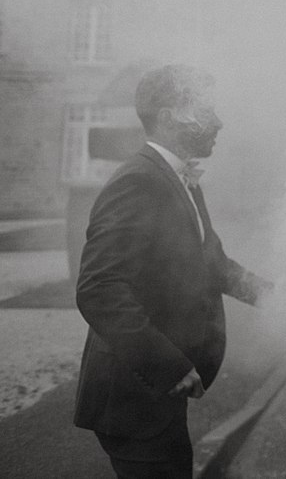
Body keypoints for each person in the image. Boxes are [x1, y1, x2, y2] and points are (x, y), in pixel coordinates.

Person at [74, 64, 272, 478]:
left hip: (153, 398)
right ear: (167, 118)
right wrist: (168, 366)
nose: (218, 122)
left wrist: (284, 298)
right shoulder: (138, 181)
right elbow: (99, 289)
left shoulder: (179, 178)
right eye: (205, 110)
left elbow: (214, 266)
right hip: (132, 399)